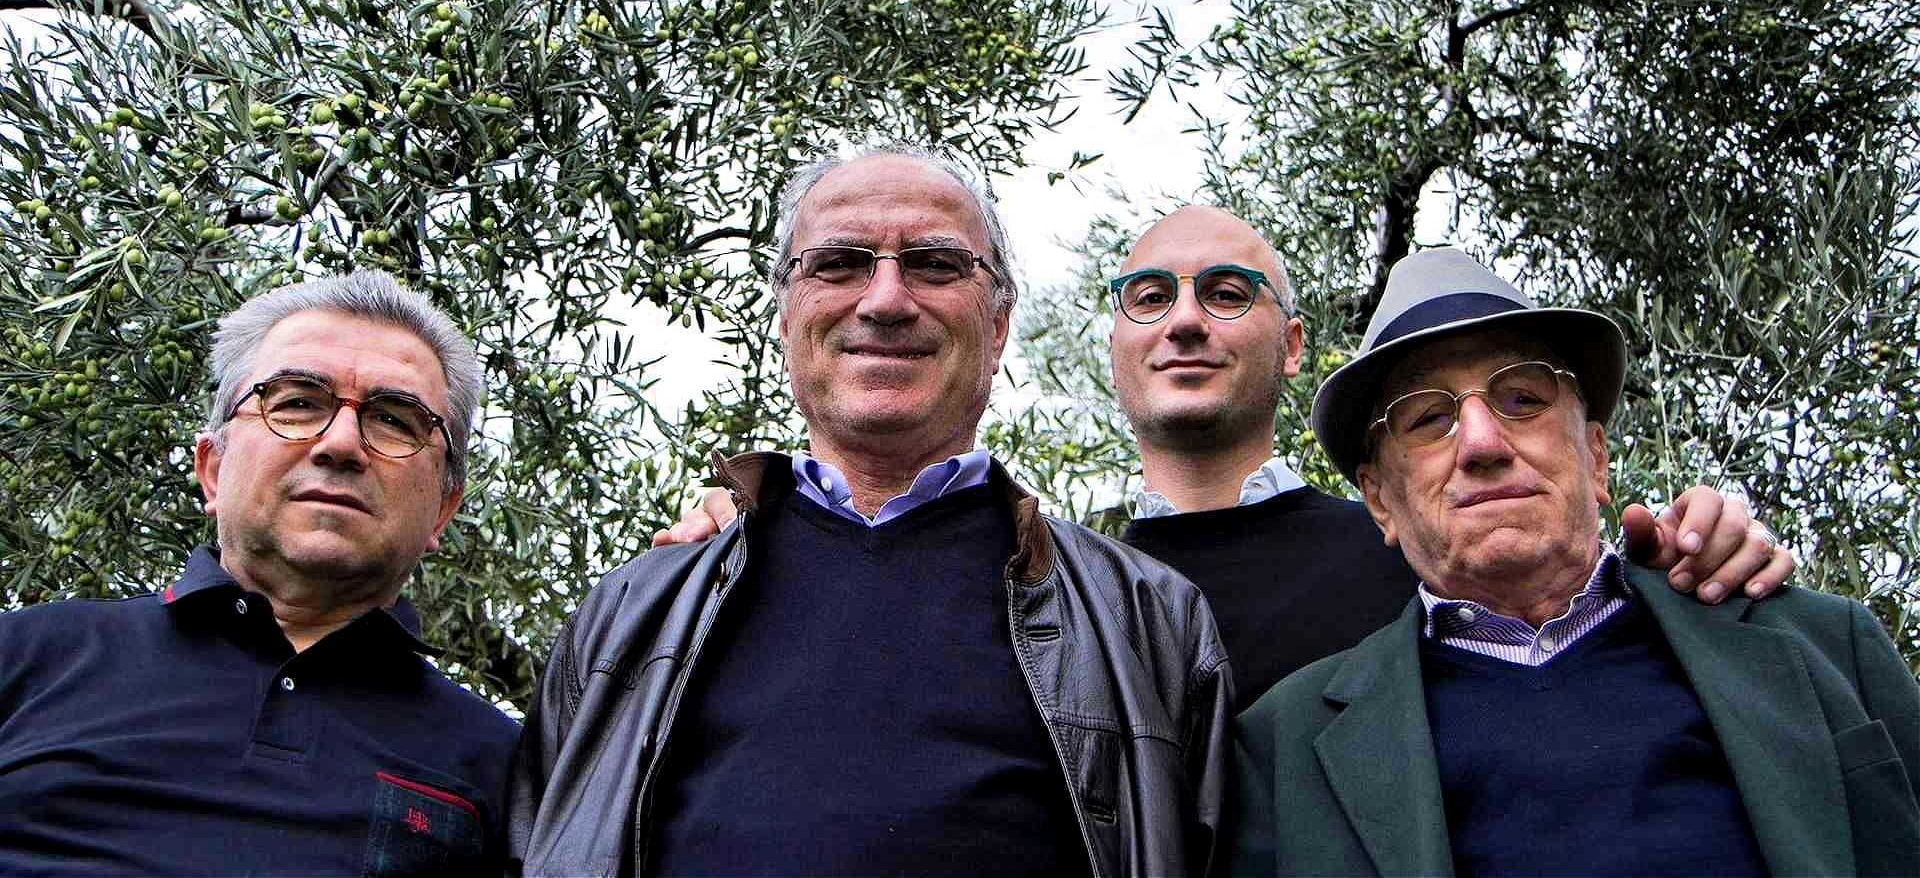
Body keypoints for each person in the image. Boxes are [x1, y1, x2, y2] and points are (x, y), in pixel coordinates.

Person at [662, 205, 1794, 708]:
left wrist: (1687, 547)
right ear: (1114, 348)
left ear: (1295, 345)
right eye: (1148, 297)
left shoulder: (1422, 551)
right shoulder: (1048, 586)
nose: (1186, 321)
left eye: (1228, 291)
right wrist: (757, 541)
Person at [508, 148, 1232, 877]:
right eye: (839, 264)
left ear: (1000, 325)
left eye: (937, 265)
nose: (886, 300)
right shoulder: (632, 615)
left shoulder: (1150, 623)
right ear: (786, 320)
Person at [1232, 247, 1920, 876]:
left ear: (1596, 457)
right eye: (1426, 419)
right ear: (1380, 501)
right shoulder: (1285, 749)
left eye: (1523, 399)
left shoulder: (1824, 646)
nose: (1481, 441)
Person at [0, 269, 519, 875]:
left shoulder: (500, 765)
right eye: (298, 403)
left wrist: (660, 592)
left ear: (443, 510)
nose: (342, 443)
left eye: (395, 420)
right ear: (213, 469)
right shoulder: (26, 659)